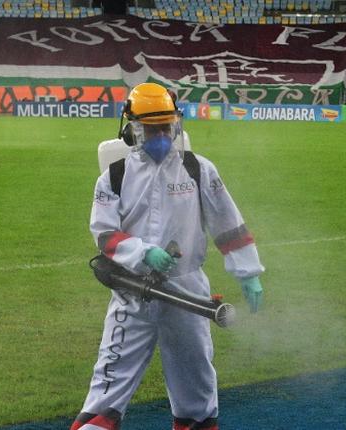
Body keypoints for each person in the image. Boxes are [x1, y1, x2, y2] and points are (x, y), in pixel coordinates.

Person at [71, 83, 265, 430]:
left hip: (187, 292)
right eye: (151, 128)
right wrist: (144, 252)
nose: (160, 135)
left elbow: (227, 224)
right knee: (105, 394)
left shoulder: (198, 169)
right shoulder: (114, 177)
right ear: (132, 129)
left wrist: (248, 272)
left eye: (166, 127)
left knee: (197, 398)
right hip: (131, 292)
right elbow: (104, 234)